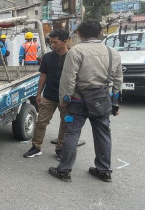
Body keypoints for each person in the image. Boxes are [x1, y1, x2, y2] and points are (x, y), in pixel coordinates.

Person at [49, 20, 123, 182]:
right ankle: (104, 170)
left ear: (80, 34)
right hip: (102, 100)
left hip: (77, 101)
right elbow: (118, 80)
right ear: (99, 34)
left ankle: (64, 171)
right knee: (103, 134)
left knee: (72, 134)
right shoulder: (113, 53)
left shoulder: (76, 51)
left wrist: (64, 99)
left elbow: (68, 78)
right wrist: (115, 103)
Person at [23, 29, 70, 160]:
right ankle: (36, 147)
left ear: (65, 41)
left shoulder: (73, 57)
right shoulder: (48, 57)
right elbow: (43, 75)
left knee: (65, 123)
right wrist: (39, 94)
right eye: (51, 42)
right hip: (49, 95)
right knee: (41, 122)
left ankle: (60, 148)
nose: (52, 45)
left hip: (66, 97)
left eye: (55, 42)